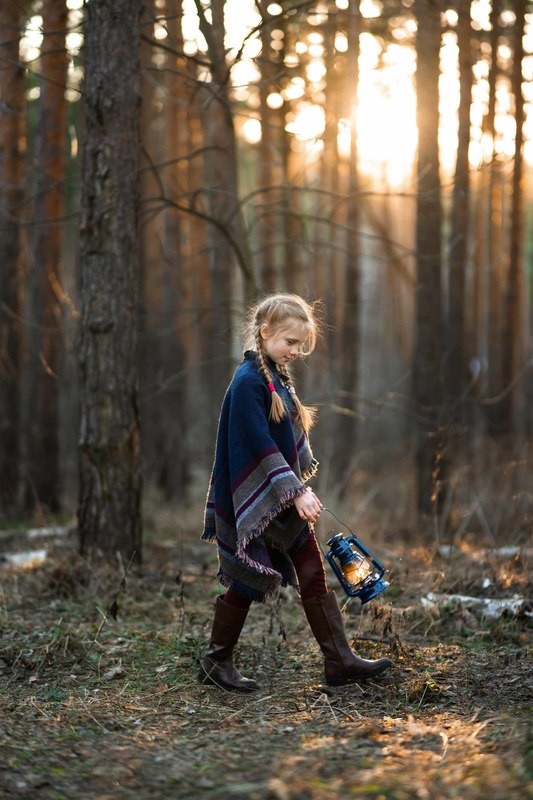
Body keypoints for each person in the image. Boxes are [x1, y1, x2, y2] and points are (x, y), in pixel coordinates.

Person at [200, 293, 392, 691]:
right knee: (247, 577)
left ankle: (337, 661)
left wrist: (295, 487)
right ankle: (217, 662)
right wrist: (295, 492)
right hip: (260, 498)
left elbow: (284, 435)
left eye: (301, 345)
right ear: (265, 332)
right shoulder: (249, 381)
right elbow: (259, 444)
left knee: (308, 567)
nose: (296, 351)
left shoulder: (273, 375)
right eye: (290, 342)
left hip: (277, 495)